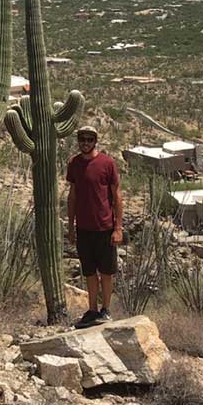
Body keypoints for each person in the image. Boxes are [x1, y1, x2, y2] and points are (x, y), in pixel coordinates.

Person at [66, 125, 123, 327]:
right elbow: (72, 196)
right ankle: (92, 310)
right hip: (84, 227)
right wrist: (71, 226)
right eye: (82, 139)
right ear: (78, 140)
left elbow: (117, 196)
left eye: (90, 139)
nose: (86, 143)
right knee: (89, 271)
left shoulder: (107, 163)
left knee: (106, 272)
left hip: (105, 226)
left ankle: (105, 309)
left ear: (95, 141)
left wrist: (118, 228)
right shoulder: (74, 164)